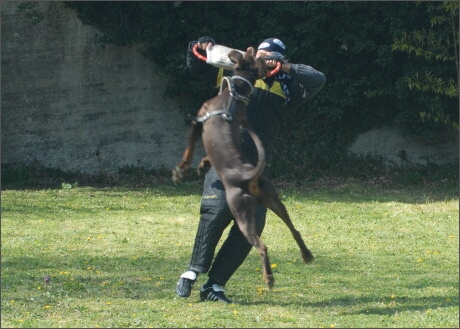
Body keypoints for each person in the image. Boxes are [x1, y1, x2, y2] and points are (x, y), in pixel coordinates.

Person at [175, 36, 326, 304]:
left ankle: (215, 285)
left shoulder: (289, 87)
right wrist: (195, 48)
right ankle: (192, 271)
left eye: (270, 56)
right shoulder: (237, 73)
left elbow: (317, 79)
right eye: (262, 54)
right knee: (216, 211)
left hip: (256, 167)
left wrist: (286, 68)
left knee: (253, 224)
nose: (263, 59)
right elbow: (198, 67)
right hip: (224, 159)